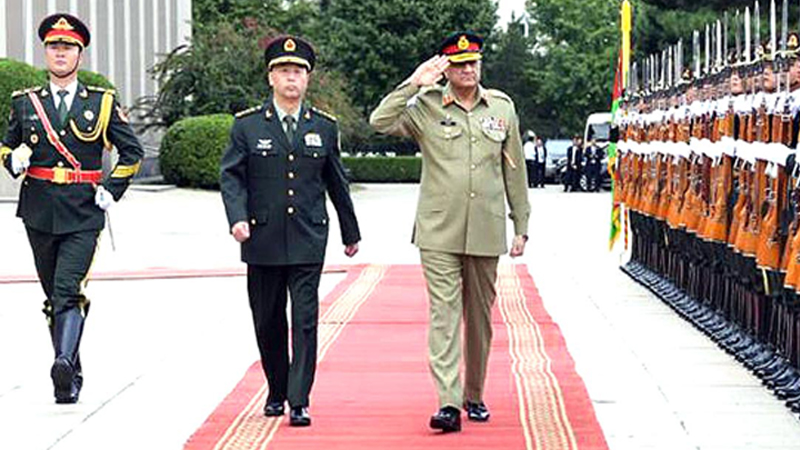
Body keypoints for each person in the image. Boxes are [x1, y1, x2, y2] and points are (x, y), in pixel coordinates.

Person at [369, 31, 530, 433]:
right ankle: (448, 402)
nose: (468, 70)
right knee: (444, 313)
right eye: (459, 65)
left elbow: (515, 171)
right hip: (439, 229)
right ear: (446, 69)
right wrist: (413, 82)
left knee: (479, 317)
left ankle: (474, 394)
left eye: (473, 63)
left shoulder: (502, 108)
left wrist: (521, 225)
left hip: (486, 227)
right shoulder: (425, 106)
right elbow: (379, 121)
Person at [0, 13, 143, 404]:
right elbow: (7, 146)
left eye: (67, 47)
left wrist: (112, 189)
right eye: (53, 47)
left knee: (67, 289)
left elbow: (132, 152)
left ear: (80, 54)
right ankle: (70, 374)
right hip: (38, 209)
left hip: (83, 210)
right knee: (54, 295)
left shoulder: (101, 103)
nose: (60, 53)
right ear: (46, 52)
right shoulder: (25, 103)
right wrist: (13, 160)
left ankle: (62, 361)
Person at [220, 35, 361, 427]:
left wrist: (350, 232)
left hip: (307, 237)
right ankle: (277, 389)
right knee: (267, 320)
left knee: (304, 319)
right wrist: (236, 217)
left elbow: (337, 182)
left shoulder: (324, 127)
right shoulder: (247, 125)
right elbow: (232, 177)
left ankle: (299, 399)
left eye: (298, 71)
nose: (291, 78)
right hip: (261, 238)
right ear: (271, 77)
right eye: (283, 71)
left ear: (308, 78)